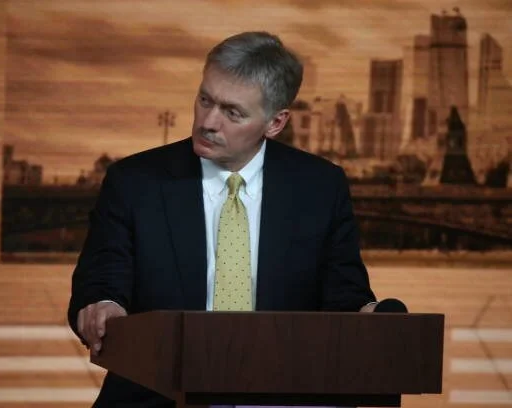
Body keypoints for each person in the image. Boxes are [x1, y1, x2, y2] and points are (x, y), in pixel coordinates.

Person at [67, 31, 378, 408]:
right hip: (157, 393)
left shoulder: (320, 186)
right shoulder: (135, 182)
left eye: (232, 112)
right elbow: (101, 278)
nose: (209, 122)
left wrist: (371, 316)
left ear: (275, 123)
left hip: (286, 395)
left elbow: (344, 295)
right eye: (205, 100)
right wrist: (103, 306)